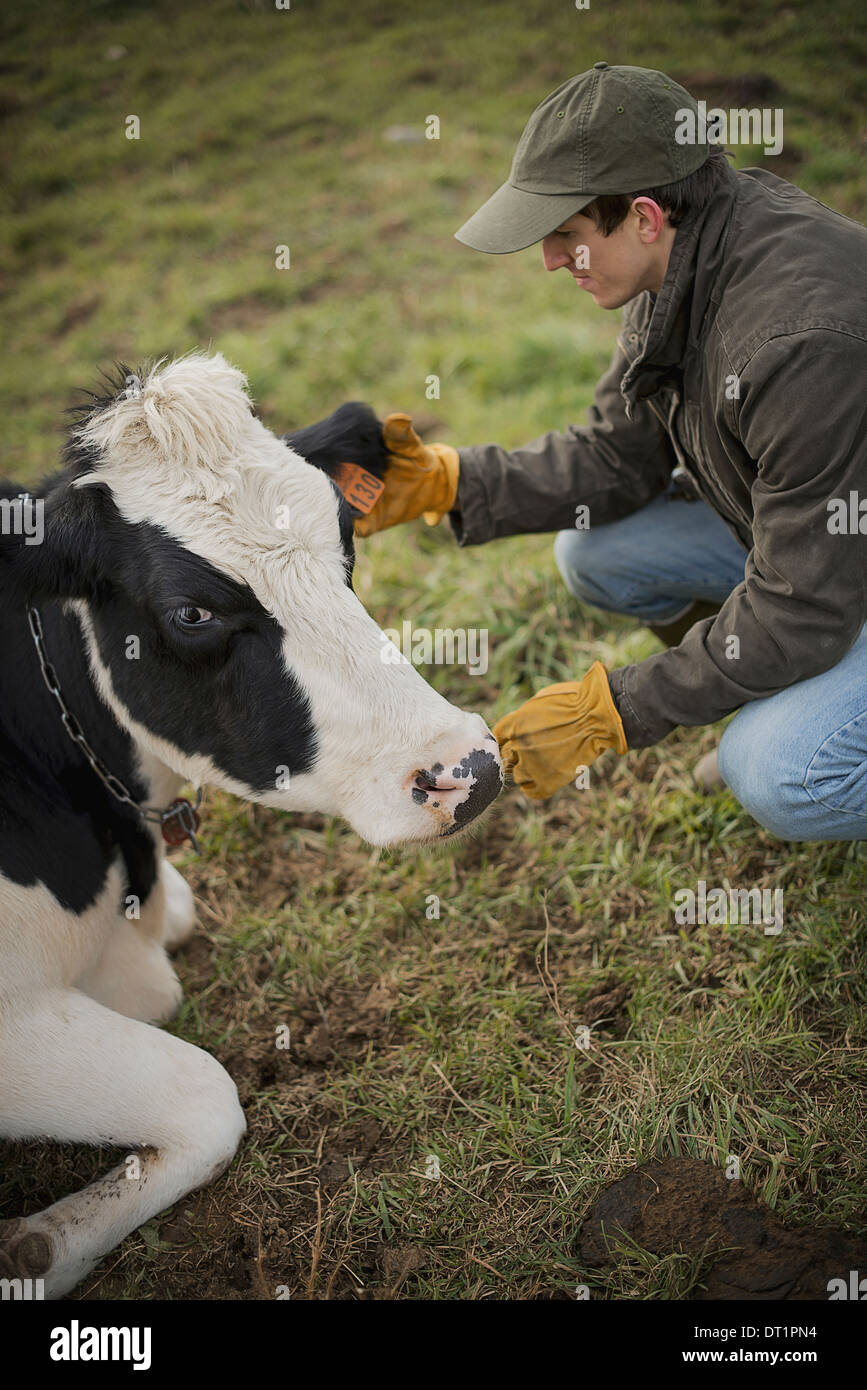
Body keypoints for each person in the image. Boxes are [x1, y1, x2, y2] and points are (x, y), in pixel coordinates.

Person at [356, 63, 867, 842]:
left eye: (565, 236)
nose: (550, 261)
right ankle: (779, 697)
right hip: (821, 551)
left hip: (829, 577)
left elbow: (803, 608)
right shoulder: (685, 261)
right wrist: (450, 484)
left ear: (642, 217)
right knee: (600, 551)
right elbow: (614, 463)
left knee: (781, 773)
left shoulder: (797, 343)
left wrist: (612, 711)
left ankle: (794, 724)